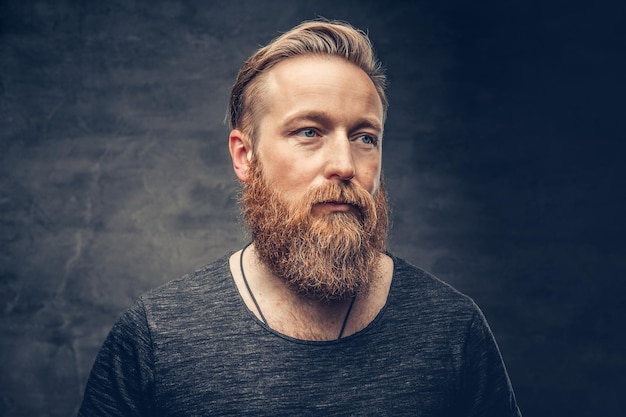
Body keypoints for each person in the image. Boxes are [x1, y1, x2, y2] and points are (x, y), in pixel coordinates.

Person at [78, 19, 522, 416]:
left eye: (365, 137)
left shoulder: (452, 329)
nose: (345, 165)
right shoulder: (156, 336)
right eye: (309, 132)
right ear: (245, 156)